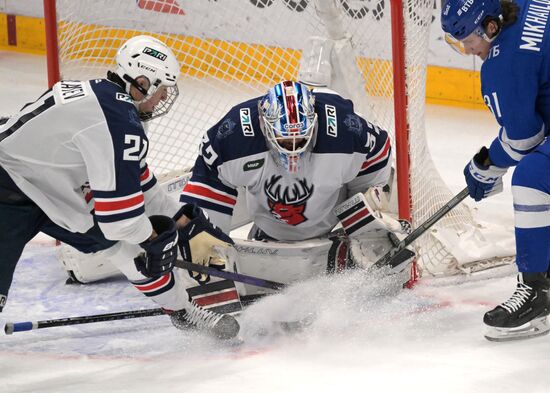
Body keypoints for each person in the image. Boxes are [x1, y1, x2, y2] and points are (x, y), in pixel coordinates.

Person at [0, 35, 239, 339]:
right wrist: (156, 238)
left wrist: (183, 221)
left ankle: (182, 310)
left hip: (54, 190)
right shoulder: (119, 121)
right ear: (141, 82)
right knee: (138, 243)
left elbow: (141, 184)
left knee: (131, 252)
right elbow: (119, 221)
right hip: (7, 184)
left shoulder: (112, 101)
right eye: (161, 90)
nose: (163, 99)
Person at [178, 80, 414, 307]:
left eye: (300, 137)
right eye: (284, 138)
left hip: (331, 225)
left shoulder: (344, 128)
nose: (293, 148)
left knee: (383, 255)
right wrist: (203, 246)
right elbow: (208, 186)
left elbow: (379, 154)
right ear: (264, 124)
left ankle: (350, 249)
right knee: (201, 242)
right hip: (267, 228)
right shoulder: (233, 135)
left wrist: (362, 213)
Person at [441, 0, 550, 341]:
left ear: (490, 27)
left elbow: (525, 139)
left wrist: (485, 166)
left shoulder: (504, 64)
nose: (467, 49)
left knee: (532, 176)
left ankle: (537, 292)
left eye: (468, 39)